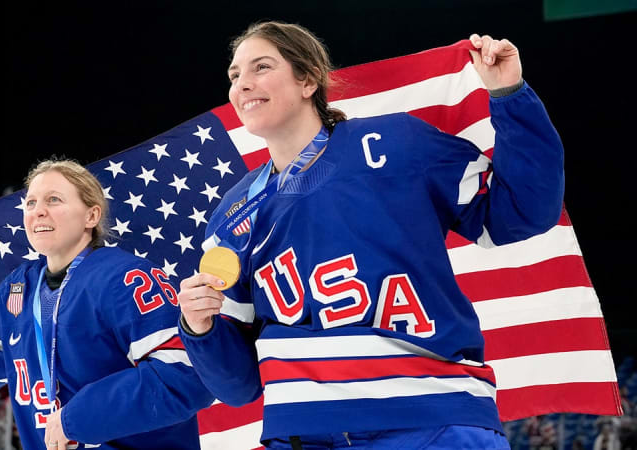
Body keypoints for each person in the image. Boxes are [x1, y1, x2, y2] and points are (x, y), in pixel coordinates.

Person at [178, 21, 564, 449]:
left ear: (308, 80)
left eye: (261, 67)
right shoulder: (231, 217)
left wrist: (509, 94)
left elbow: (521, 213)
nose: (243, 84)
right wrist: (199, 328)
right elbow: (238, 387)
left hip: (432, 421)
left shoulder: (396, 144)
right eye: (234, 75)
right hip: (304, 435)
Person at [0, 159, 214, 449]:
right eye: (31, 203)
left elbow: (185, 377)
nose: (38, 210)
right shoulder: (18, 288)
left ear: (91, 216)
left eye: (54, 199)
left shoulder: (127, 278)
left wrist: (76, 419)